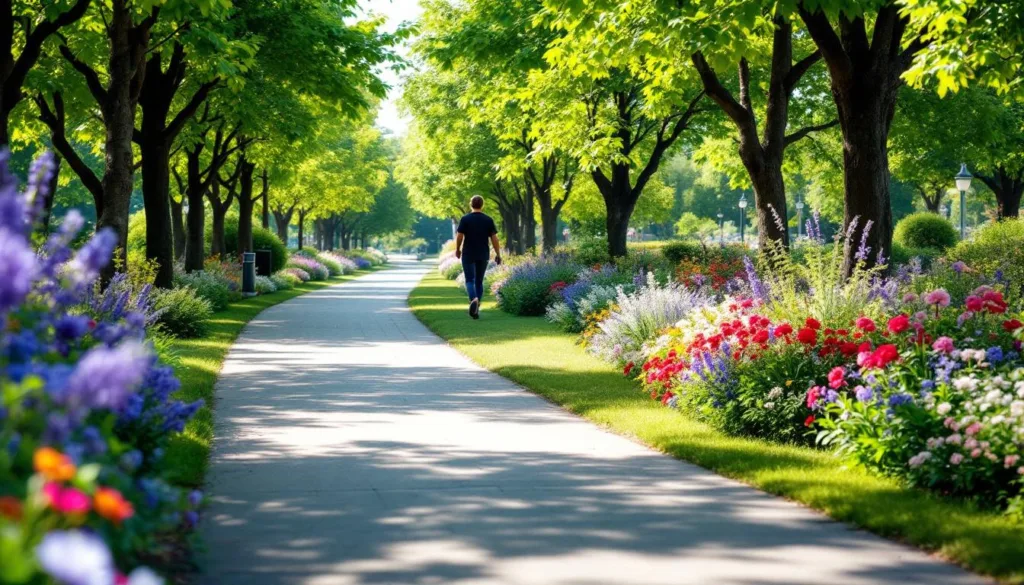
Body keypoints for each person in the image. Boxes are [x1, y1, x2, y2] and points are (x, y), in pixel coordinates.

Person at [455, 195, 502, 319]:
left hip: (468, 253)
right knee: (479, 281)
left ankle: (473, 300)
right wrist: (498, 253)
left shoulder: (465, 219)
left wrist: (457, 249)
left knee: (470, 279)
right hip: (483, 253)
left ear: (471, 204)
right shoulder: (488, 220)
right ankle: (476, 306)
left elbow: (460, 236)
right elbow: (494, 239)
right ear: (482, 205)